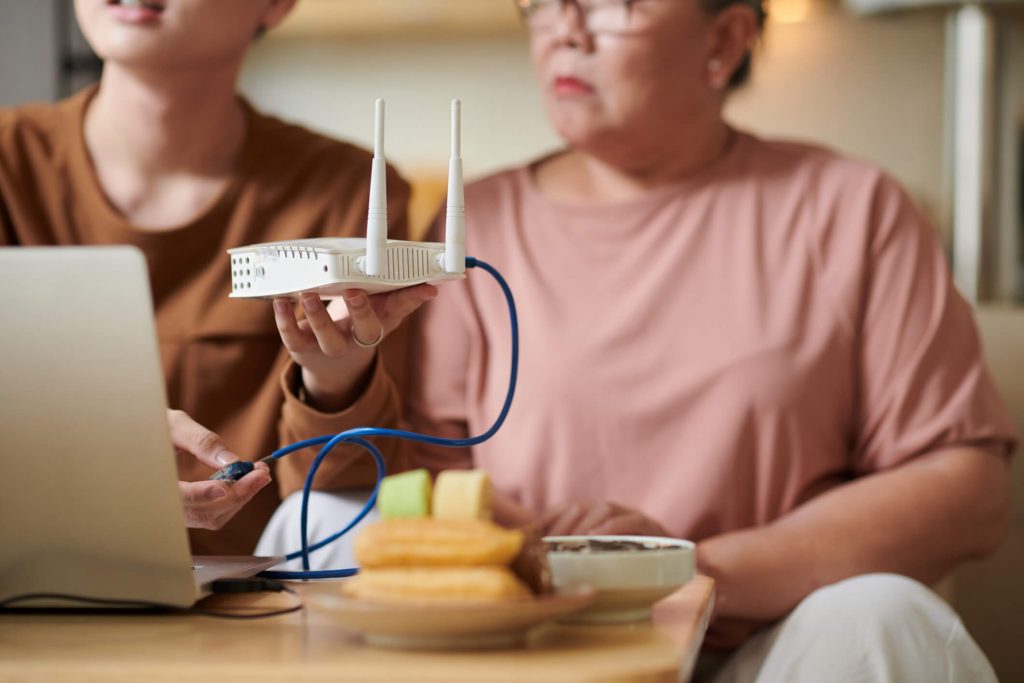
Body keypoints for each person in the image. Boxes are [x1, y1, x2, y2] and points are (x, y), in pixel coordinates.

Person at [277, 0, 1016, 679]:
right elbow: (415, 483)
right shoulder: (479, 224)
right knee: (312, 523)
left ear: (725, 38)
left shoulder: (852, 209)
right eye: (543, 2)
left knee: (884, 615)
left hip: (771, 645)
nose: (566, 28)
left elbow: (965, 489)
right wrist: (337, 381)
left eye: (611, 2)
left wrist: (679, 567)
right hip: (527, 642)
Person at [0, 0, 433, 554]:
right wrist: (81, 458)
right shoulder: (12, 168)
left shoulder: (347, 193)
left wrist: (333, 379)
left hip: (262, 601)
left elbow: (339, 496)